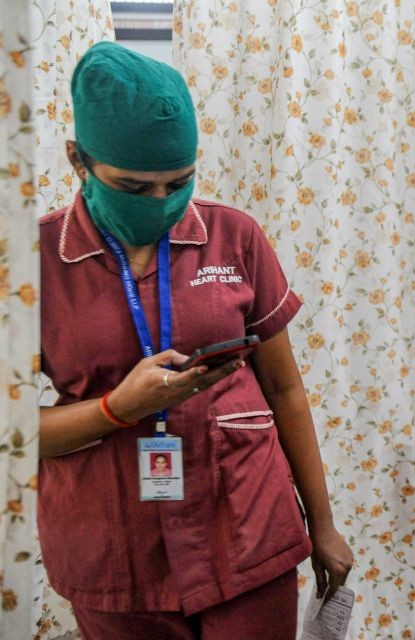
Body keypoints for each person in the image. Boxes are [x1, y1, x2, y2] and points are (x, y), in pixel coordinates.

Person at [38, 42, 352, 639]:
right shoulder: (32, 263)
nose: (161, 202)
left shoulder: (234, 236)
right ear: (78, 159)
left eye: (179, 183)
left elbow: (285, 387)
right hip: (114, 551)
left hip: (247, 528)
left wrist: (325, 524)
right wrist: (116, 409)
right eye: (134, 187)